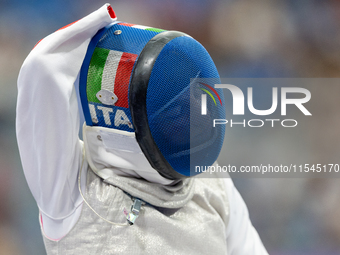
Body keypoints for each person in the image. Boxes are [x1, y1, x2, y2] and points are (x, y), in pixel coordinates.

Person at [16, 4, 268, 255]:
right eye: (174, 113)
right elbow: (42, 66)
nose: (188, 120)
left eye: (189, 106)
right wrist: (101, 24)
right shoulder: (75, 191)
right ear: (129, 121)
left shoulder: (213, 184)